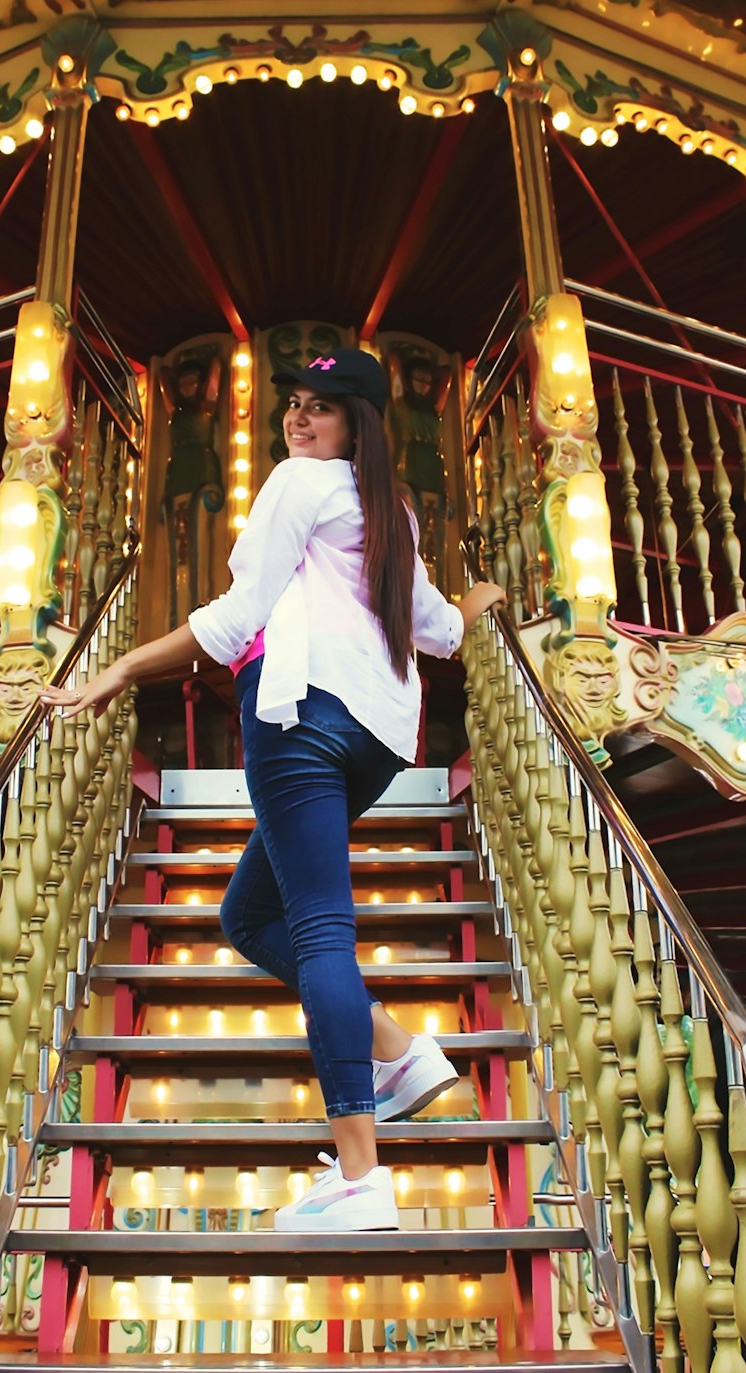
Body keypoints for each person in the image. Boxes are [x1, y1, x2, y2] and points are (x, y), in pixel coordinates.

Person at [42, 348, 505, 1232]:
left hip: (296, 718)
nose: (300, 420)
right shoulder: (390, 512)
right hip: (374, 735)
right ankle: (397, 1050)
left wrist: (117, 671)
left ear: (356, 422)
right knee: (247, 917)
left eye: (323, 407)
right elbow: (439, 629)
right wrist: (485, 596)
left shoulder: (299, 483)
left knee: (322, 930)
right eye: (294, 404)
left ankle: (362, 1176)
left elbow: (232, 621)